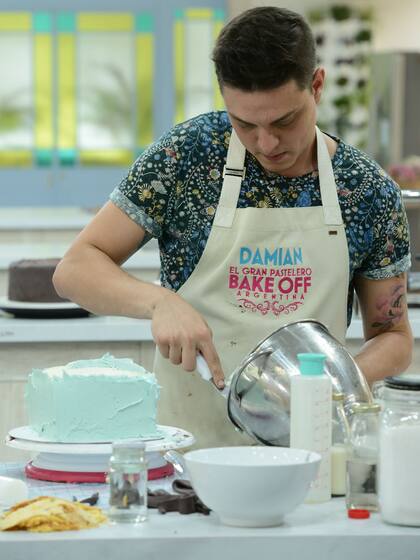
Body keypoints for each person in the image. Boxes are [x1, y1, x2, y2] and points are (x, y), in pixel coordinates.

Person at [54, 7, 413, 447]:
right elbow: (74, 269)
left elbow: (393, 337)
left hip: (309, 454)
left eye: (284, 121)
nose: (266, 143)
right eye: (245, 124)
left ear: (316, 86)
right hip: (188, 452)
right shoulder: (186, 156)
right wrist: (158, 303)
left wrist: (332, 380)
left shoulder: (367, 190)